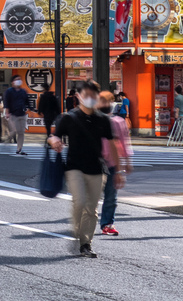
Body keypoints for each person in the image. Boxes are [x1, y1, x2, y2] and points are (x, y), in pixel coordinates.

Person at [48, 80, 112, 257]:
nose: (90, 98)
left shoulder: (103, 120)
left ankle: (85, 243)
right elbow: (53, 136)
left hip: (97, 168)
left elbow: (112, 143)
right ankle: (78, 232)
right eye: (86, 95)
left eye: (93, 96)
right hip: (74, 167)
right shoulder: (69, 117)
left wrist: (120, 169)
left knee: (91, 209)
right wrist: (54, 141)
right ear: (78, 96)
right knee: (80, 202)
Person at [97, 87, 131, 238]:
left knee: (111, 196)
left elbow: (124, 142)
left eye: (108, 101)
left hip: (112, 163)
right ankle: (87, 221)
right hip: (95, 162)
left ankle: (107, 224)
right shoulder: (93, 121)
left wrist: (127, 161)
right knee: (92, 195)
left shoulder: (118, 122)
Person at [2, 78, 32, 155]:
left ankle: (19, 149)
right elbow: (6, 102)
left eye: (19, 79)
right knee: (14, 131)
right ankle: (7, 139)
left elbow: (27, 101)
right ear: (12, 82)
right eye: (16, 80)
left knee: (21, 132)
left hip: (22, 113)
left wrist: (29, 109)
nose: (18, 81)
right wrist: (7, 112)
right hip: (13, 114)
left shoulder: (23, 91)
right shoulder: (9, 91)